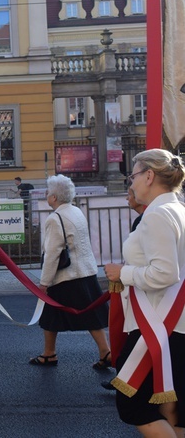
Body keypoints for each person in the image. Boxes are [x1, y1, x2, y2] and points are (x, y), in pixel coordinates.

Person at [104, 149, 185, 437]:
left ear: (149, 176)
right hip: (172, 323)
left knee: (133, 405)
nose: (132, 182)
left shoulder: (157, 215)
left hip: (158, 325)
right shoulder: (177, 208)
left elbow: (165, 273)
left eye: (134, 175)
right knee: (170, 408)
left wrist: (121, 273)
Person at [31, 174, 110, 368]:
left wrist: (44, 283)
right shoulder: (76, 211)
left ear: (54, 198)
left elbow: (52, 253)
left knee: (51, 314)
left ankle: (50, 354)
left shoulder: (54, 218)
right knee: (89, 315)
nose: (47, 195)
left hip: (66, 276)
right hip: (85, 271)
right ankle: (104, 352)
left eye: (48, 193)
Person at [101, 187, 147, 391]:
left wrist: (123, 273)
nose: (127, 197)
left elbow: (161, 269)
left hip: (145, 295)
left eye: (130, 193)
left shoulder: (147, 220)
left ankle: (127, 380)